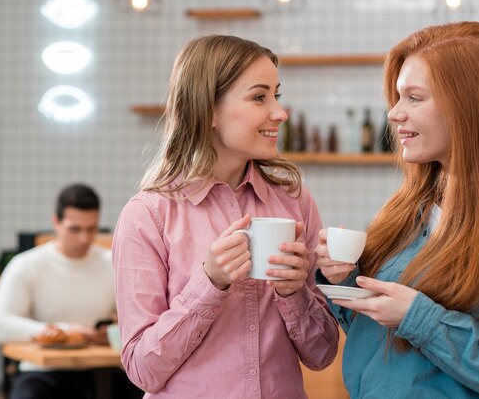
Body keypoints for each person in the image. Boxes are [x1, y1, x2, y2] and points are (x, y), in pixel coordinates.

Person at [315, 21, 479, 399]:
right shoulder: (406, 211)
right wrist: (340, 279)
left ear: (470, 106)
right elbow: (381, 343)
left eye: (414, 98)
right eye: (397, 97)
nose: (393, 114)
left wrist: (419, 318)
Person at [112, 35, 339, 398]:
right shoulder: (148, 215)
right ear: (209, 111)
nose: (279, 113)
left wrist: (295, 292)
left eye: (276, 96)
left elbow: (322, 354)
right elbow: (142, 368)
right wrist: (209, 283)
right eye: (259, 97)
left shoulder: (295, 202)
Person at [0, 183, 143, 399]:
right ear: (56, 223)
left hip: (102, 371)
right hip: (43, 373)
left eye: (91, 229)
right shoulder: (27, 264)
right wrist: (65, 331)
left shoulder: (112, 264)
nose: (84, 239)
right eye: (75, 229)